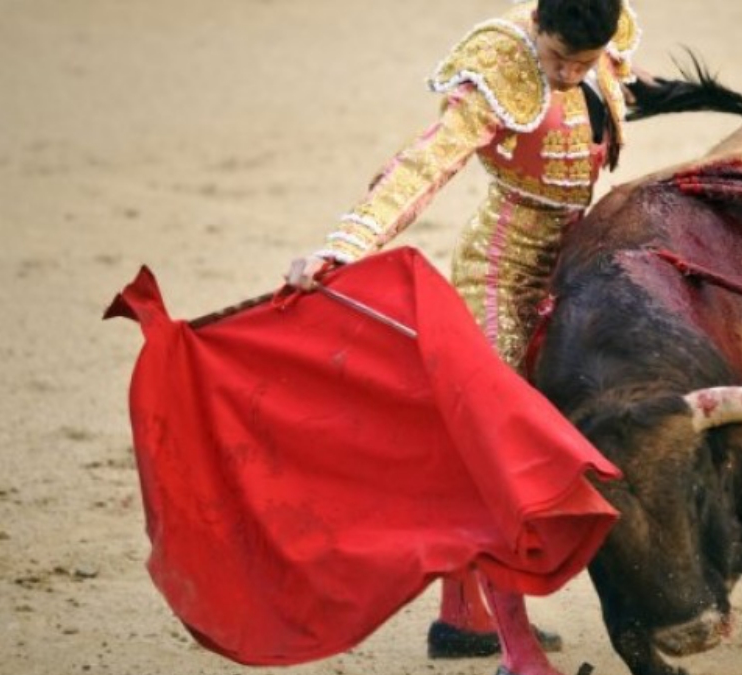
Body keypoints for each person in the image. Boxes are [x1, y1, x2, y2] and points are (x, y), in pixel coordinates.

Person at [288, 2, 646, 675]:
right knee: (498, 453)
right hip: (502, 271)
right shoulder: (500, 64)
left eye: (583, 60)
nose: (567, 73)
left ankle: (463, 616)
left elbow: (617, 94)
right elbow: (426, 164)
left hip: (579, 265)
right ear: (537, 28)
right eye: (556, 56)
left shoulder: (600, 47)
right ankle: (517, 650)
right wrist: (343, 247)